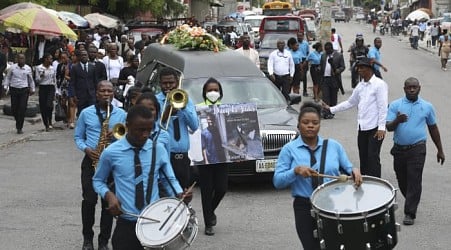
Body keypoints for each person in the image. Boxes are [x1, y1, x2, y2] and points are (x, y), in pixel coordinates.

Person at [93, 105, 191, 250]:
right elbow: (98, 180)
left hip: (155, 223)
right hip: (126, 223)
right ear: (127, 126)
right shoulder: (111, 152)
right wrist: (109, 196)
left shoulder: (158, 149)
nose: (145, 134)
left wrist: (180, 195)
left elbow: (168, 179)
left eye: (149, 129)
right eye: (140, 130)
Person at [273, 101, 362, 250]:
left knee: (335, 246)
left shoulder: (334, 146)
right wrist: (295, 171)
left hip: (333, 205)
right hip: (304, 206)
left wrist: (355, 171)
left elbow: (349, 168)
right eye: (305, 122)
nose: (310, 126)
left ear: (320, 125)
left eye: (315, 123)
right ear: (299, 124)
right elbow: (277, 181)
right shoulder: (288, 149)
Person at [74, 80, 127, 250]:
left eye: (109, 91)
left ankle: (104, 241)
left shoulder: (121, 114)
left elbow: (128, 137)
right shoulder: (86, 113)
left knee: (108, 205)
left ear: (113, 94)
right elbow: (78, 137)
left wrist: (118, 137)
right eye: (102, 91)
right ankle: (87, 239)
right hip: (91, 161)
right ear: (96, 93)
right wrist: (87, 149)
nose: (106, 94)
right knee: (89, 201)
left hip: (112, 164)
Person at [386, 77, 445, 226]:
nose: (412, 89)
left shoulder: (427, 106)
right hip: (399, 149)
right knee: (402, 179)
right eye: (408, 87)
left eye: (414, 87)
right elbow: (388, 127)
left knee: (414, 179)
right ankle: (412, 199)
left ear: (419, 88)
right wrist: (397, 120)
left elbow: (433, 128)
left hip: (417, 148)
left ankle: (410, 212)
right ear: (404, 89)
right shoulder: (395, 105)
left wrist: (440, 149)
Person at [322, 57, 388, 177]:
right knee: (363, 157)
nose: (359, 70)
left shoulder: (379, 85)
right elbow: (350, 102)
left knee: (372, 157)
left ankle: (377, 185)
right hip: (362, 127)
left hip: (375, 128)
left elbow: (383, 107)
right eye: (358, 68)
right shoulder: (360, 86)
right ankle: (365, 183)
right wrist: (331, 109)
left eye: (362, 68)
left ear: (369, 69)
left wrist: (381, 127)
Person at [156, 67, 199, 189]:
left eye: (171, 83)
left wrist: (183, 107)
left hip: (182, 157)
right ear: (160, 84)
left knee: (183, 194)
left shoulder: (185, 99)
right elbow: (156, 128)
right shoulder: (156, 101)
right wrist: (168, 110)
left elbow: (194, 126)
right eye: (164, 83)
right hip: (164, 155)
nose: (168, 86)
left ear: (177, 83)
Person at [197, 78, 228, 236]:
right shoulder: (198, 109)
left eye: (216, 89)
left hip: (222, 156)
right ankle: (208, 223)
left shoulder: (226, 109)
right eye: (210, 90)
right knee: (206, 191)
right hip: (205, 158)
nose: (213, 93)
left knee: (222, 188)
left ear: (220, 92)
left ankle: (211, 211)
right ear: (204, 92)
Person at [2, 53, 35, 134]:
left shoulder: (27, 68)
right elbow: (8, 77)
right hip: (14, 89)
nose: (21, 60)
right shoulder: (13, 68)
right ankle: (18, 120)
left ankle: (19, 127)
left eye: (23, 58)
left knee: (22, 108)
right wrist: (6, 87)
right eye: (20, 58)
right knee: (14, 108)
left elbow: (30, 79)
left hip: (24, 90)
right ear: (17, 59)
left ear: (25, 59)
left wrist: (32, 88)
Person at [319, 42, 345, 119]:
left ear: (332, 48)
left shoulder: (339, 55)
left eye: (328, 49)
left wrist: (338, 70)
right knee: (325, 96)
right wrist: (319, 69)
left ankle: (332, 111)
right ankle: (325, 112)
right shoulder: (323, 55)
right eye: (325, 49)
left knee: (333, 96)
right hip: (325, 79)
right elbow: (321, 65)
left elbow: (343, 66)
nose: (327, 51)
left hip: (334, 79)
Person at [70, 49, 98, 116]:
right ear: (79, 57)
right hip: (80, 95)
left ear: (88, 56)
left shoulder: (93, 67)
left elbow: (95, 81)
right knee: (82, 113)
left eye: (85, 55)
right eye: (82, 55)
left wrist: (96, 93)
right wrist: (73, 95)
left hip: (91, 94)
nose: (84, 56)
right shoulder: (75, 67)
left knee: (92, 113)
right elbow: (72, 82)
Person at [35, 53, 57, 131]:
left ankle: (50, 121)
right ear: (46, 59)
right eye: (50, 59)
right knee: (43, 106)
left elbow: (54, 79)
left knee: (49, 105)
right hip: (43, 87)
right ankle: (46, 124)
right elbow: (37, 80)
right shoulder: (39, 68)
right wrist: (41, 76)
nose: (51, 60)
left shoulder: (52, 68)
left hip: (50, 87)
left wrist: (56, 90)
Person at [297, 32, 310, 96]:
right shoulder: (295, 43)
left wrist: (306, 61)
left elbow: (308, 53)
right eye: (298, 36)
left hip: (304, 60)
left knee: (304, 76)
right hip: (297, 60)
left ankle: (305, 91)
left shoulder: (306, 43)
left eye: (301, 36)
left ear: (303, 36)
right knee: (297, 76)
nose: (299, 37)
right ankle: (297, 91)